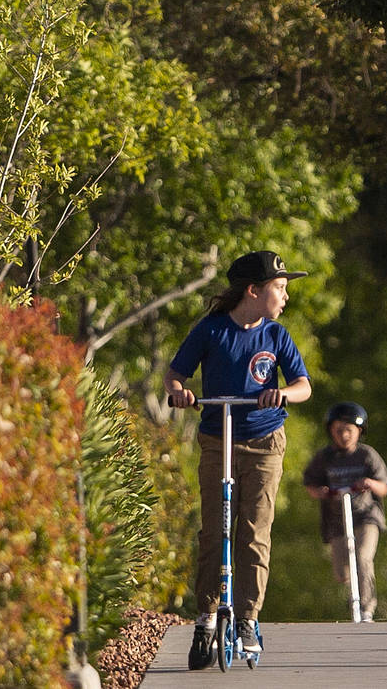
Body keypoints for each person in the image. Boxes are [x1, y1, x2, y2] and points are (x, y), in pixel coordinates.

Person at [165, 249, 312, 670]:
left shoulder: (276, 335)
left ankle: (248, 618)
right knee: (215, 529)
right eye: (279, 288)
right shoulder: (211, 331)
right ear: (253, 290)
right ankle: (206, 616)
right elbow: (175, 373)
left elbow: (303, 385)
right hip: (218, 437)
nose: (285, 296)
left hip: (265, 440)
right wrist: (180, 391)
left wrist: (282, 393)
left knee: (253, 532)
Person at [302, 402, 387, 623]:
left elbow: (384, 487)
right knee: (342, 573)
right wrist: (321, 492)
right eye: (338, 430)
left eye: (348, 430)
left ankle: (367, 609)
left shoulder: (367, 455)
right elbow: (310, 484)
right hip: (337, 519)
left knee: (363, 558)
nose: (343, 435)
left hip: (365, 517)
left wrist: (370, 483)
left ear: (359, 431)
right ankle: (354, 592)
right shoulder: (325, 457)